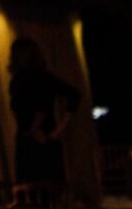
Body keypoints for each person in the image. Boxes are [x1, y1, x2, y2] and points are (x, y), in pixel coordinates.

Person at [7, 36, 81, 185]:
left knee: (42, 185)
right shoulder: (24, 79)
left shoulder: (35, 79)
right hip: (35, 137)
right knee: (39, 185)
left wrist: (52, 130)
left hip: (39, 138)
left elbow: (43, 105)